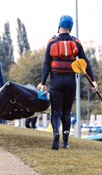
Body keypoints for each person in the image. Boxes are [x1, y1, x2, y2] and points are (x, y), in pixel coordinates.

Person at [40, 15, 98, 150]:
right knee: (66, 112)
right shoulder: (76, 42)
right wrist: (93, 81)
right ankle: (65, 142)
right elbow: (85, 62)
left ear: (59, 26)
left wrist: (43, 82)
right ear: (70, 28)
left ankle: (55, 133)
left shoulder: (51, 42)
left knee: (56, 112)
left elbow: (46, 64)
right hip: (70, 81)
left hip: (56, 81)